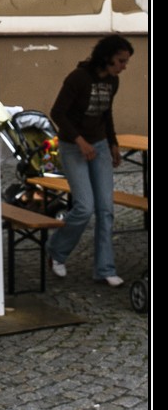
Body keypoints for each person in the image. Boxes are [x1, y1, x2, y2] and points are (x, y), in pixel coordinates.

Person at [47, 34, 134, 287]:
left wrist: (113, 143)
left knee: (106, 209)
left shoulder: (113, 81)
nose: (124, 66)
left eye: (126, 62)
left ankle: (105, 269)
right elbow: (57, 113)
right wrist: (80, 141)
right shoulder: (78, 78)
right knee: (84, 207)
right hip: (73, 147)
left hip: (99, 146)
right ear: (107, 57)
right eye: (121, 61)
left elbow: (106, 114)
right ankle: (56, 250)